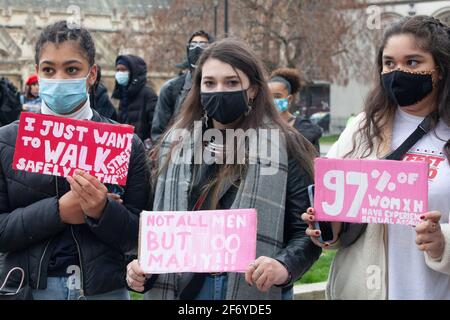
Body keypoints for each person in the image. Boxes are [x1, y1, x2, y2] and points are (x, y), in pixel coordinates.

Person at [126, 38, 321, 300]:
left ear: (252, 88)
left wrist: (284, 267)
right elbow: (149, 223)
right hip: (185, 290)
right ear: (199, 88)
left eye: (231, 82)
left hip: (253, 289)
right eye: (210, 83)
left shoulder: (287, 144)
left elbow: (306, 231)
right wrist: (139, 267)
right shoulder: (173, 145)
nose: (219, 90)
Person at [302, 15, 450, 300]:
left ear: (440, 70)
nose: (398, 71)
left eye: (413, 62)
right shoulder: (361, 128)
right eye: (389, 63)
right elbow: (335, 215)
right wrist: (326, 226)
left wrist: (442, 241)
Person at [0, 20, 150, 300]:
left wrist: (102, 211)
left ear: (91, 74)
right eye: (48, 70)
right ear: (37, 73)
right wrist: (58, 211)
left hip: (104, 289)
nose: (58, 79)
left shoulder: (126, 145)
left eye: (71, 69)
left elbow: (141, 237)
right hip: (29, 288)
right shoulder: (5, 141)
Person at [151, 30, 214, 143]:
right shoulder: (170, 89)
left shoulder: (219, 88)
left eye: (203, 45)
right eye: (193, 45)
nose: (197, 48)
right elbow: (158, 132)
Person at [268, 68, 322, 153]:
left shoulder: (305, 130)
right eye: (268, 96)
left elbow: (313, 162)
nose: (271, 100)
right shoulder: (259, 125)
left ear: (289, 99)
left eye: (277, 96)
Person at [111, 54, 158, 146]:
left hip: (142, 150)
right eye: (118, 70)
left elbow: (155, 126)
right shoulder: (123, 94)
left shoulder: (148, 95)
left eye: (123, 70)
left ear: (133, 72)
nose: (120, 73)